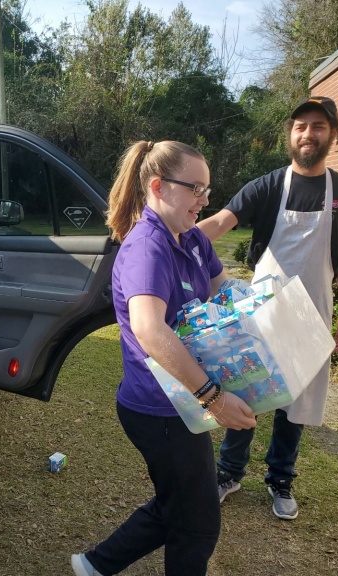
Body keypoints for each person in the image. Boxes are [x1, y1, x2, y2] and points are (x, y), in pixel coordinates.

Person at [71, 141, 257, 576]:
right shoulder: (146, 247)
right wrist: (214, 398)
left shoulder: (191, 240)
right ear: (158, 186)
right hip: (158, 408)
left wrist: (261, 310)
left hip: (182, 401)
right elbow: (150, 329)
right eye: (196, 188)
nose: (205, 200)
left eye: (208, 189)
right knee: (198, 523)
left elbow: (222, 295)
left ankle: (96, 565)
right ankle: (96, 564)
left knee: (182, 506)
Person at [198, 96, 338, 520]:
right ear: (290, 134)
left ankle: (280, 479)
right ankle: (228, 473)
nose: (308, 133)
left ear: (332, 133)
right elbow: (220, 222)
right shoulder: (268, 185)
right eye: (300, 126)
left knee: (297, 403)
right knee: (249, 395)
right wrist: (173, 237)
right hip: (264, 315)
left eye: (318, 126)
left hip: (314, 318)